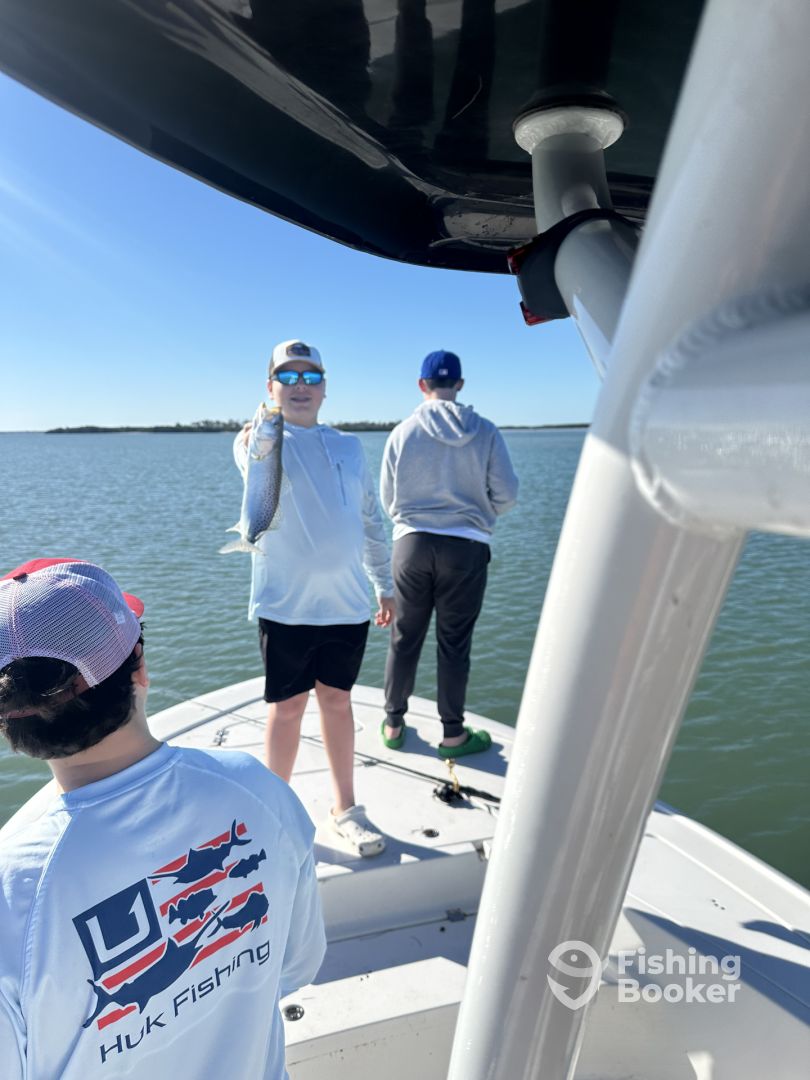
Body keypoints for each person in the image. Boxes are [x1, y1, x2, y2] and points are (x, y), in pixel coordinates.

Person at [0, 558, 325, 1080]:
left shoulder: (12, 892)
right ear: (140, 669)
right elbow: (297, 964)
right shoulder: (260, 792)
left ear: (10, 726)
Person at [234, 339, 394, 857]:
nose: (299, 386)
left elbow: (370, 519)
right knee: (287, 710)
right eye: (288, 376)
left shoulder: (349, 447)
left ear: (325, 388)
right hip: (285, 605)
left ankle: (346, 809)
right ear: (271, 388)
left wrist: (385, 583)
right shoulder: (259, 438)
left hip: (347, 605)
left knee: (338, 702)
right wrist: (255, 437)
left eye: (310, 377)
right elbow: (248, 458)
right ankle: (273, 812)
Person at [380, 349, 519, 757]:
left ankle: (393, 724)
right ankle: (453, 735)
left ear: (422, 385)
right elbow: (507, 495)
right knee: (454, 644)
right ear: (459, 384)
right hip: (466, 548)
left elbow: (389, 500)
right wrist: (476, 513)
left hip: (411, 546)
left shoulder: (402, 432)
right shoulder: (486, 431)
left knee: (404, 637)